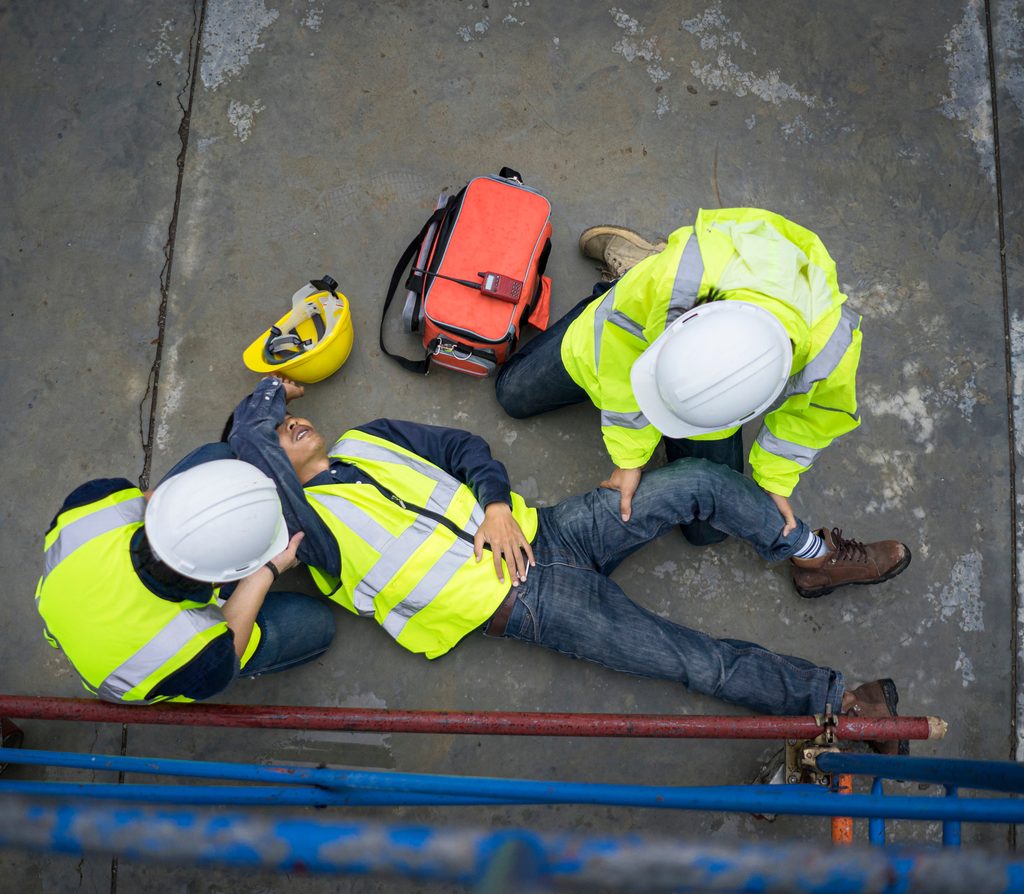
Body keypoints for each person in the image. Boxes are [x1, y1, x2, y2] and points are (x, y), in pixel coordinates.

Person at [228, 376, 917, 754]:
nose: (293, 423)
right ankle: (840, 704)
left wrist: (495, 505)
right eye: (276, 433)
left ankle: (814, 557)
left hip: (551, 528)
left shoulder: (367, 439)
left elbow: (463, 446)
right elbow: (269, 487)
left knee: (697, 481)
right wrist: (260, 412)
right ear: (266, 470)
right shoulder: (300, 532)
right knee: (694, 662)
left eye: (288, 417)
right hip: (527, 605)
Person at [494, 209, 909, 596]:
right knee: (513, 393)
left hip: (700, 337)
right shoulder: (675, 278)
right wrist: (629, 458)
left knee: (708, 531)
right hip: (633, 314)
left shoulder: (832, 340)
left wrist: (775, 480)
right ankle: (629, 274)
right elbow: (616, 354)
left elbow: (816, 416)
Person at [36, 445, 335, 704]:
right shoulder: (196, 653)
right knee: (315, 625)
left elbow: (151, 500)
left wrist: (211, 511)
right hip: (126, 677)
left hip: (72, 612)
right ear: (225, 577)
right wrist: (266, 572)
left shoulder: (96, 501)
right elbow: (228, 654)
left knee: (219, 456)